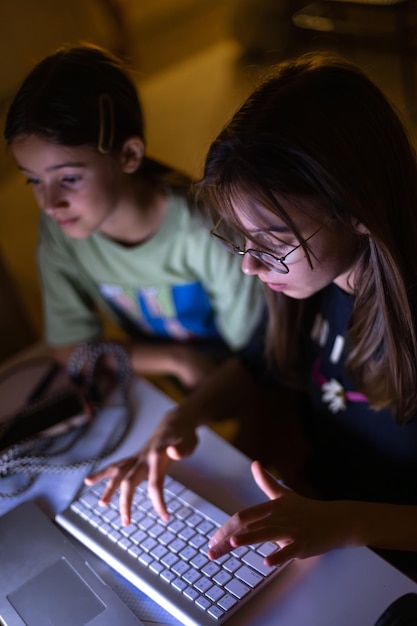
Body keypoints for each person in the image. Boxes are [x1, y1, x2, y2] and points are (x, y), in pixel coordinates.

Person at [84, 50, 417, 578]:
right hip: (322, 523)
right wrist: (186, 415)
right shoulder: (312, 284)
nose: (248, 266)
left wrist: (347, 523)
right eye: (241, 238)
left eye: (272, 242)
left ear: (357, 210)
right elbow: (262, 361)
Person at [4, 43, 264, 390]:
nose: (50, 202)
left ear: (128, 155)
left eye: (69, 178)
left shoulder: (206, 231)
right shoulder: (59, 230)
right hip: (187, 381)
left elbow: (259, 359)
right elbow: (69, 349)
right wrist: (175, 359)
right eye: (34, 179)